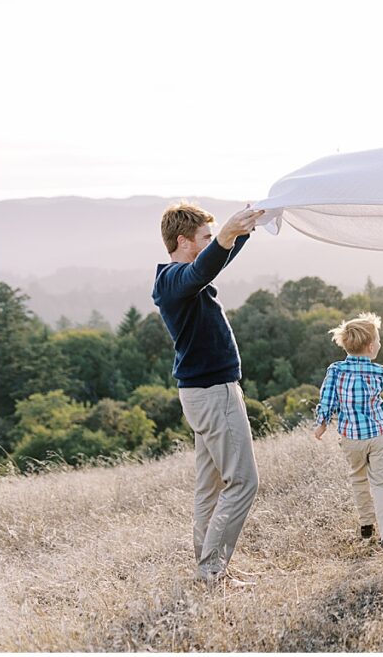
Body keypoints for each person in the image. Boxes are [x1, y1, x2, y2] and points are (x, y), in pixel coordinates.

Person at [152, 201, 265, 585]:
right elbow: (205, 266)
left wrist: (244, 231)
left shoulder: (188, 277)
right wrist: (228, 234)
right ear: (184, 241)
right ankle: (212, 570)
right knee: (244, 482)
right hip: (212, 393)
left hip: (204, 392)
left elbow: (215, 262)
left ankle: (208, 568)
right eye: (205, 237)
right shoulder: (172, 281)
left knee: (210, 486)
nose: (211, 242)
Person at [313, 312, 383, 562]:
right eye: (378, 340)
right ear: (370, 346)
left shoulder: (335, 370)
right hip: (377, 437)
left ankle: (367, 524)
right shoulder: (378, 372)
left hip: (350, 439)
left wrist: (321, 424)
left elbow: (327, 400)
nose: (379, 344)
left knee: (358, 478)